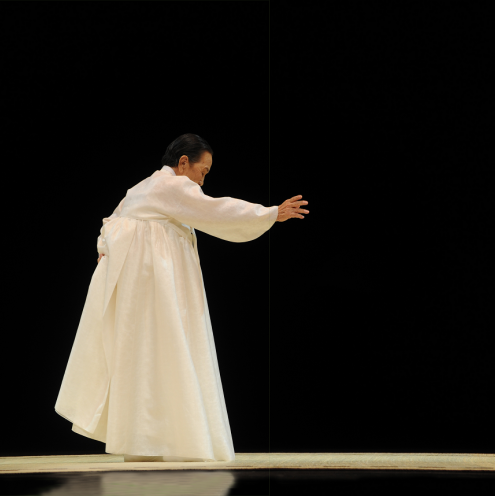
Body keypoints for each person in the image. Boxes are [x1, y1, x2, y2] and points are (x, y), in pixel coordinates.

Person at [54, 133, 308, 463]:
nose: (203, 180)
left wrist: (105, 248)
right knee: (168, 346)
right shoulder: (170, 186)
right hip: (153, 279)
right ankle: (172, 439)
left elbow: (111, 222)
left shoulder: (141, 188)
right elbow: (215, 209)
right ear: (183, 162)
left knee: (147, 354)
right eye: (203, 171)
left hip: (138, 282)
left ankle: (146, 440)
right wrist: (270, 213)